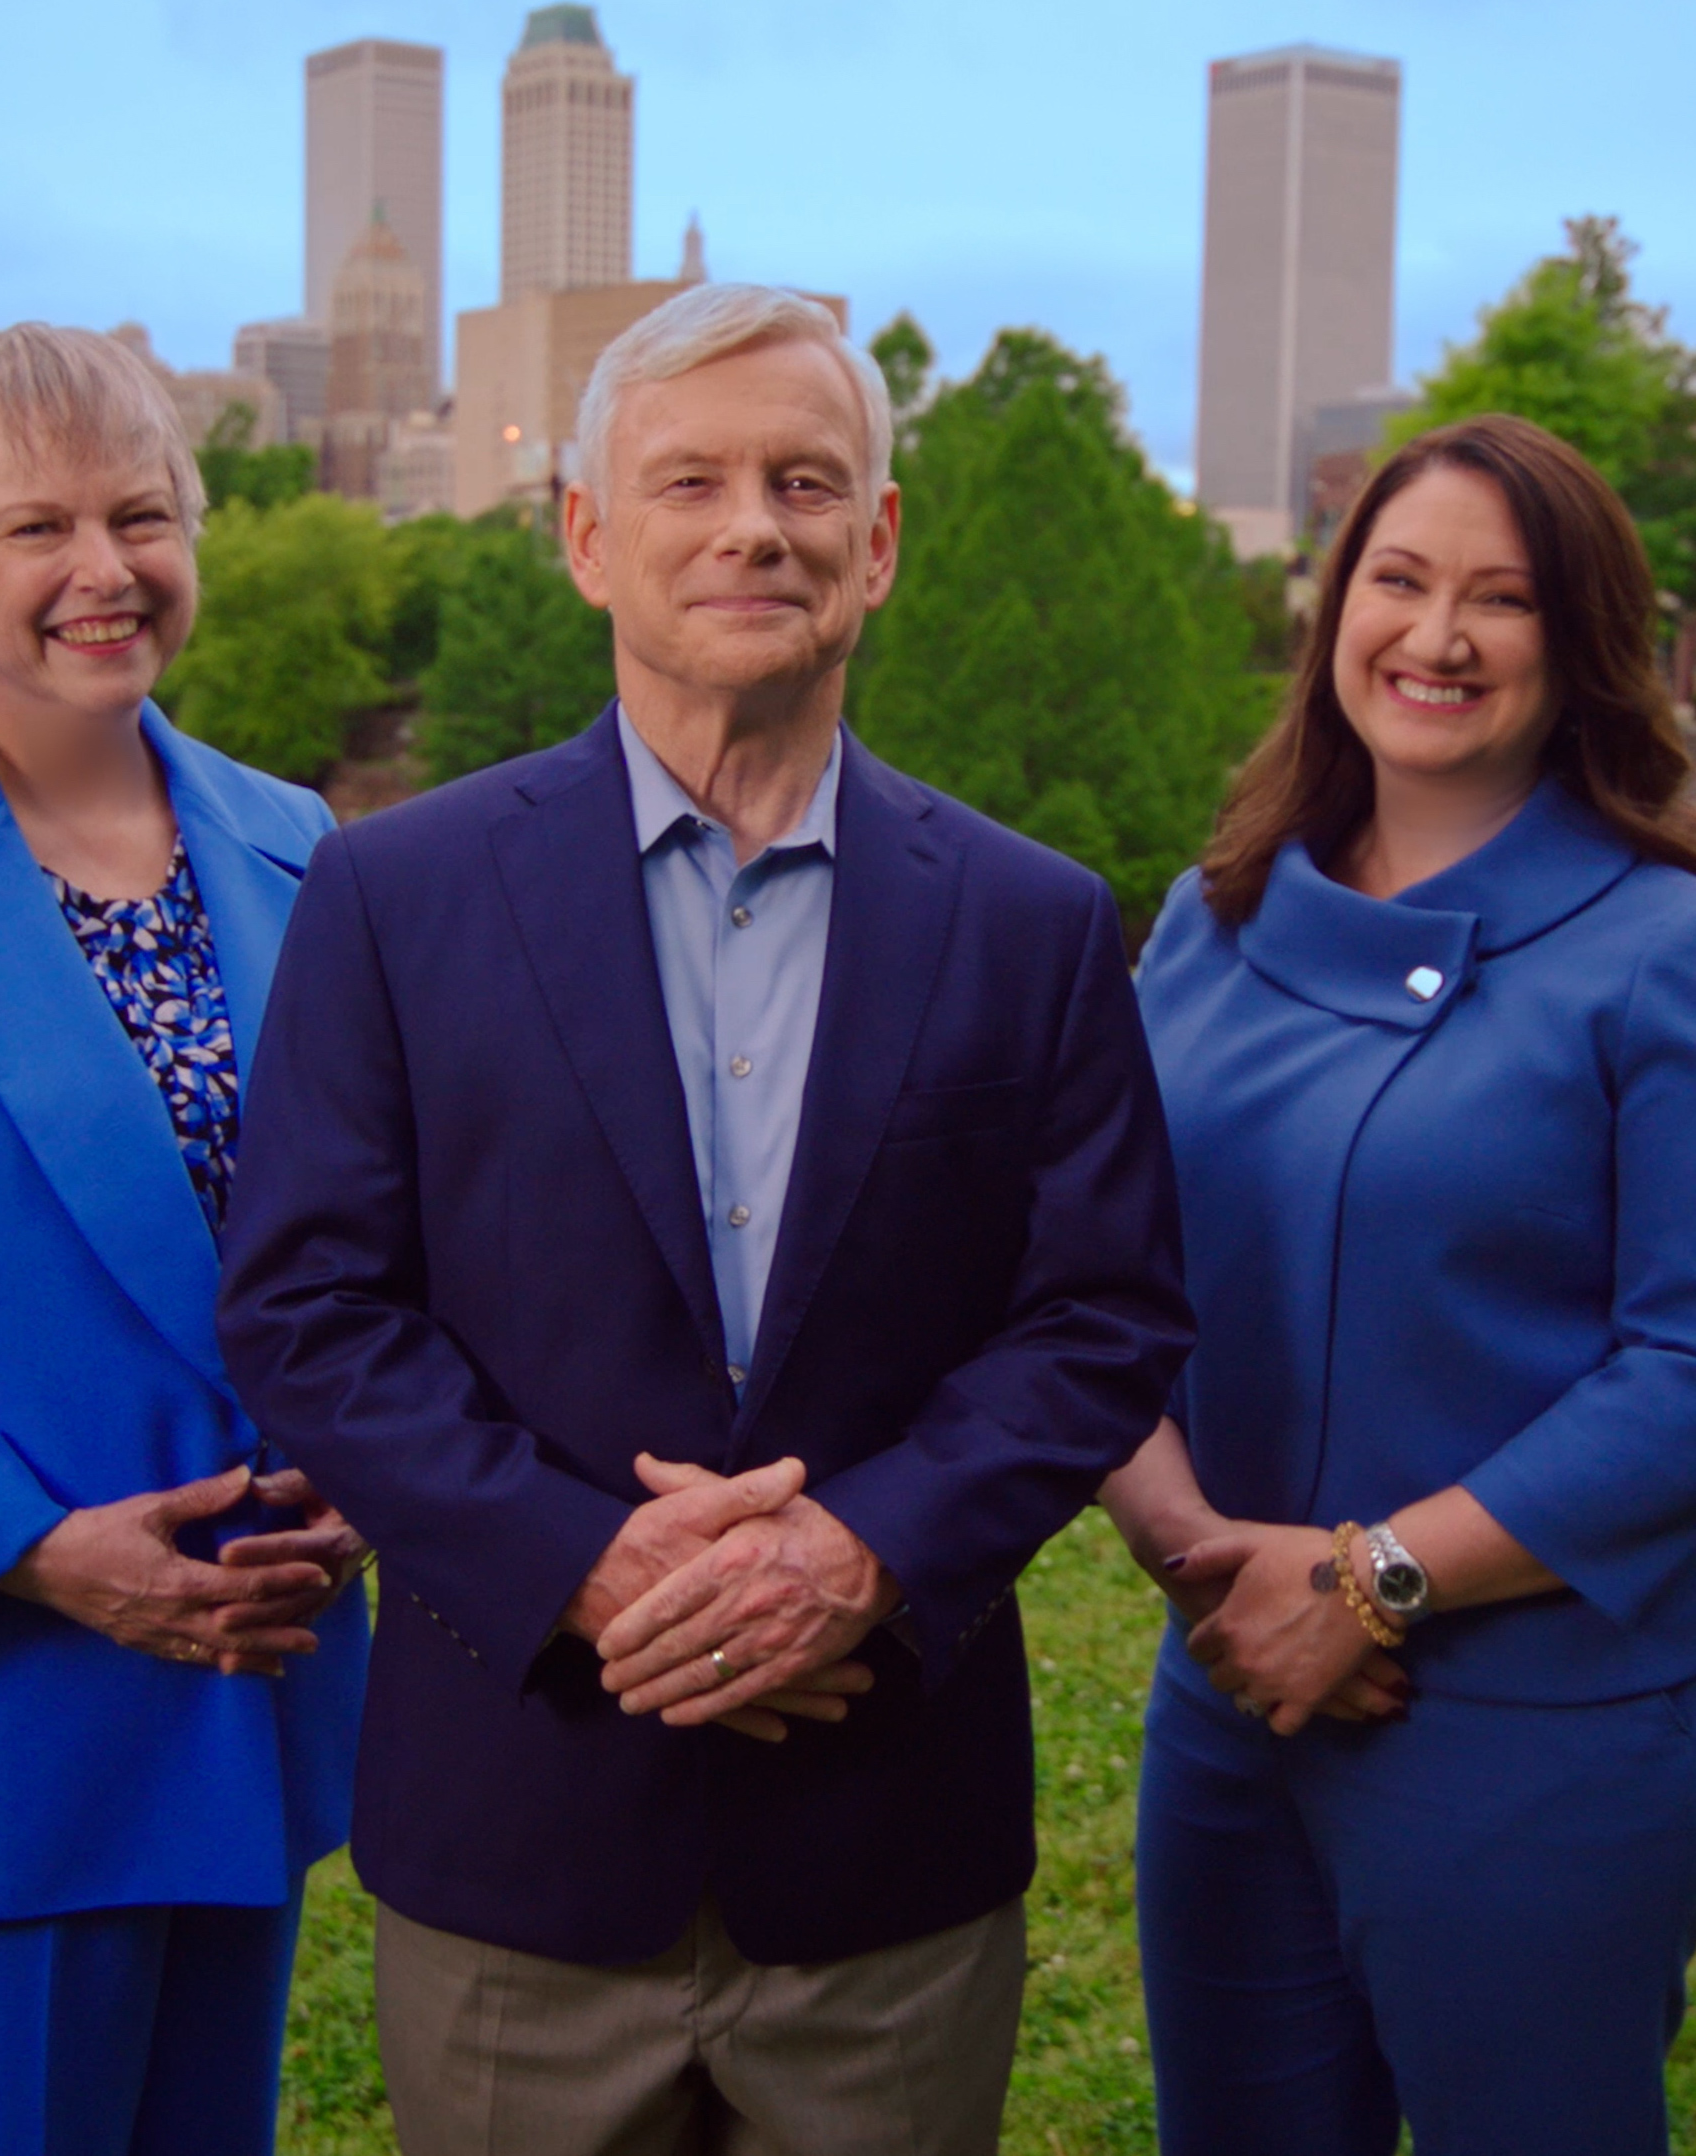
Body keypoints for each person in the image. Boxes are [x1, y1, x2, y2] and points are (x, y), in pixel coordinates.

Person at [216, 281, 1193, 2156]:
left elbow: (1100, 1318)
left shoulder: (1030, 919)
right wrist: (589, 1568)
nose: (755, 523)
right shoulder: (394, 895)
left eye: (807, 480)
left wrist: (852, 1559)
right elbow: (308, 1306)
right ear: (587, 534)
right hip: (526, 1841)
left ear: (879, 543)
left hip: (884, 1850)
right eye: (690, 481)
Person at [0, 324, 369, 2156]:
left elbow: (384, 1227)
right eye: (36, 525)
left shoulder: (299, 848)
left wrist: (385, 1460)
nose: (103, 569)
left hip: (244, 1682)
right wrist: (36, 1551)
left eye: (143, 514)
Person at [1103, 413, 1696, 2156]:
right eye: (1400, 578)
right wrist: (1199, 1562)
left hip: (1531, 1727)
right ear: (1332, 604)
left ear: (1576, 646)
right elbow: (1085, 1283)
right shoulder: (1207, 923)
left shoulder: (1659, 949)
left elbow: (1683, 1367)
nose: (1434, 637)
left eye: (1500, 601)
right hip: (1226, 1693)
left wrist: (1368, 1582)